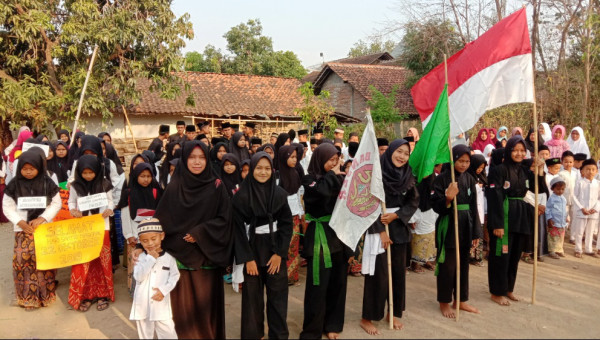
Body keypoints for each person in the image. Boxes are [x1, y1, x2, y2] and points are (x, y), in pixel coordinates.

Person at [151, 140, 233, 339]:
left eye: (202, 157)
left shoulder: (217, 186)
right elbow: (160, 220)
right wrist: (140, 244)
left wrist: (201, 232)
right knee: (184, 312)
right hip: (180, 261)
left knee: (207, 311)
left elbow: (225, 220)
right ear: (184, 160)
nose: (197, 162)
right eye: (192, 157)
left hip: (207, 259)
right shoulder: (174, 187)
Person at [360, 139, 419, 335]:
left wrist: (397, 215)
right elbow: (368, 204)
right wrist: (381, 231)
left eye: (406, 153)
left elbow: (413, 201)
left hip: (399, 228)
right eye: (399, 151)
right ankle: (367, 317)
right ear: (391, 151)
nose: (401, 156)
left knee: (398, 275)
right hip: (378, 227)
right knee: (378, 276)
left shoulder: (408, 175)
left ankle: (392, 312)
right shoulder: (376, 173)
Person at [232, 152, 293, 339]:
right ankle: (253, 334)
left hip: (274, 249)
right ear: (251, 169)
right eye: (259, 168)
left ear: (272, 170)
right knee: (252, 298)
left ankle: (278, 335)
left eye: (267, 168)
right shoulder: (241, 195)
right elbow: (237, 230)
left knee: (278, 297)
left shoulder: (280, 194)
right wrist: (247, 259)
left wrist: (279, 254)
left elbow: (286, 224)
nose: (263, 172)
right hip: (252, 248)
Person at [300, 143, 348, 340]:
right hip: (319, 234)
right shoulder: (309, 179)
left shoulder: (339, 178)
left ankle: (332, 324)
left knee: (338, 283)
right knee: (317, 285)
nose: (334, 164)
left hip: (338, 235)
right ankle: (312, 329)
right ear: (320, 159)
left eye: (337, 160)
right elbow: (319, 193)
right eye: (330, 160)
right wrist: (334, 175)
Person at [3, 149, 61, 310]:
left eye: (32, 168)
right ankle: (27, 298)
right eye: (24, 168)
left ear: (39, 167)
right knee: (23, 263)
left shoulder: (47, 182)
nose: (28, 172)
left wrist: (42, 218)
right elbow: (7, 206)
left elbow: (56, 203)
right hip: (23, 230)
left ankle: (45, 296)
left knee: (43, 262)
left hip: (42, 229)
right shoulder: (14, 184)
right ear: (19, 167)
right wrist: (20, 222)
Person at [432, 145, 481, 318]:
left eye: (467, 161)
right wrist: (448, 198)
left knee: (463, 265)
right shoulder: (442, 179)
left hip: (466, 224)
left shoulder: (469, 179)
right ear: (453, 159)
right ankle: (444, 302)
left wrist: (476, 232)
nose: (464, 164)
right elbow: (435, 205)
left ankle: (460, 300)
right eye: (461, 161)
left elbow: (474, 207)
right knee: (448, 266)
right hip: (449, 225)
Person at [486, 136, 536, 306]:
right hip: (504, 216)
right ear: (509, 151)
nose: (519, 153)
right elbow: (494, 197)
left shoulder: (525, 171)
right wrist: (498, 224)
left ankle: (508, 288)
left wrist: (540, 172)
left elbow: (540, 189)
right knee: (501, 255)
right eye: (516, 150)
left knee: (514, 255)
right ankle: (496, 291)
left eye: (522, 150)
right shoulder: (498, 170)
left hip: (520, 217)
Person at [68, 155, 115, 312]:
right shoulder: (75, 185)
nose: (88, 176)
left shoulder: (104, 184)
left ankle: (103, 294)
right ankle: (86, 295)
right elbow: (71, 202)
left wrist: (110, 209)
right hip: (83, 228)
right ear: (79, 172)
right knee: (84, 261)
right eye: (84, 173)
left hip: (102, 227)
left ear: (97, 170)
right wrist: (73, 211)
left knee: (101, 261)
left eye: (91, 172)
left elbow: (110, 201)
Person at [130, 218, 180, 339]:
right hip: (143, 304)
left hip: (160, 304)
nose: (150, 243)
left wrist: (163, 290)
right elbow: (138, 277)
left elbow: (175, 276)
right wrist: (150, 259)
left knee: (168, 333)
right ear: (140, 241)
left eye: (154, 239)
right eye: (145, 241)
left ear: (161, 236)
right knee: (145, 335)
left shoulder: (169, 258)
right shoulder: (140, 257)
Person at [119, 163, 163, 292]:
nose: (146, 179)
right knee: (137, 264)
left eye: (149, 176)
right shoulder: (128, 193)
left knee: (153, 262)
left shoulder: (155, 192)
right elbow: (125, 215)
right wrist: (129, 235)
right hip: (135, 234)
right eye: (142, 176)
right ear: (135, 176)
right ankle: (136, 291)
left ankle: (152, 290)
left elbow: (160, 214)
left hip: (152, 236)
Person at [277, 145, 304, 285]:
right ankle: (281, 276)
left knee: (293, 247)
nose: (295, 160)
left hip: (294, 216)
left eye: (295, 157)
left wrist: (301, 213)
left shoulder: (295, 173)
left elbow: (299, 194)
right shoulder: (278, 175)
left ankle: (291, 276)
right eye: (291, 157)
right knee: (283, 246)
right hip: (282, 217)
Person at [571, 158, 600, 258]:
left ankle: (589, 249)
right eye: (587, 169)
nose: (590, 172)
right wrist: (582, 208)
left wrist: (595, 208)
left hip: (593, 212)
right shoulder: (580, 182)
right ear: (582, 171)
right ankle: (578, 249)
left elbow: (599, 198)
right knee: (579, 231)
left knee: (590, 231)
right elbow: (574, 196)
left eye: (593, 169)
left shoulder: (598, 183)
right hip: (582, 211)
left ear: (596, 171)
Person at [468, 154, 488, 266]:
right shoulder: (469, 177)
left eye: (482, 168)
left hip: (481, 209)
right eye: (478, 167)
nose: (480, 170)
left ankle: (478, 257)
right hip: (472, 209)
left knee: (479, 232)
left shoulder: (483, 177)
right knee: (472, 233)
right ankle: (470, 255)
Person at [546, 177, 568, 259]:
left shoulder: (563, 198)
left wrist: (566, 217)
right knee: (553, 236)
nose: (560, 191)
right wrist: (549, 219)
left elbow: (564, 209)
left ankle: (559, 250)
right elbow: (548, 209)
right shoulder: (551, 198)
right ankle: (552, 251)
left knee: (560, 236)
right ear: (552, 188)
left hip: (561, 222)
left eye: (562, 189)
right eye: (558, 189)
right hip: (554, 221)